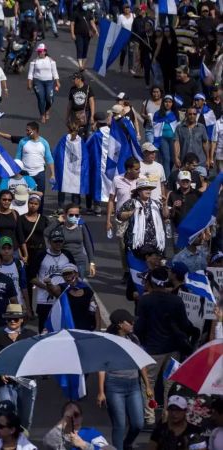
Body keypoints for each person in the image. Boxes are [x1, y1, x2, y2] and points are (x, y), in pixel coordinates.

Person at [134, 268, 200, 425]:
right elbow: (185, 324)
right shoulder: (176, 301)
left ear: (151, 282)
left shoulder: (145, 301)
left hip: (152, 350)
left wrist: (142, 342)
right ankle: (166, 417)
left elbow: (139, 327)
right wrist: (195, 332)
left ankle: (149, 418)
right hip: (173, 350)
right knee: (169, 385)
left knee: (147, 384)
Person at [97, 309, 150, 450]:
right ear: (120, 324)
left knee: (138, 424)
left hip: (133, 386)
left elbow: (142, 362)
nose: (133, 324)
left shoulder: (134, 339)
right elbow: (102, 367)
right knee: (119, 425)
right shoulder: (107, 342)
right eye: (130, 322)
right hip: (114, 387)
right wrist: (101, 391)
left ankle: (127, 443)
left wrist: (148, 386)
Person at [0, 304, 38, 429]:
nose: (13, 321)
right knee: (8, 416)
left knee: (25, 420)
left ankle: (22, 444)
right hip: (5, 383)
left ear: (21, 319)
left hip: (27, 383)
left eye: (16, 318)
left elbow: (38, 356)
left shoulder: (31, 335)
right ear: (6, 320)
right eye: (9, 319)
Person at [117, 179, 167, 254]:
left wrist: (165, 204)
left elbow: (165, 216)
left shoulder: (156, 203)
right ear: (139, 191)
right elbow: (119, 216)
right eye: (145, 189)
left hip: (155, 243)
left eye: (149, 189)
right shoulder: (132, 203)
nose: (148, 191)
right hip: (136, 244)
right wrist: (131, 213)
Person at [43, 402, 110, 450]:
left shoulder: (91, 433)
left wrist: (83, 445)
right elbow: (47, 442)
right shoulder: (57, 436)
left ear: (81, 417)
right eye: (69, 416)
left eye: (76, 415)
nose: (73, 418)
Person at [27, 43, 60, 123]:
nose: (39, 53)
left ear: (45, 52)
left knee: (49, 99)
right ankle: (42, 115)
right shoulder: (34, 62)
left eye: (41, 51)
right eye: (38, 52)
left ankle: (47, 109)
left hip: (49, 82)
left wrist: (57, 82)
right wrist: (29, 83)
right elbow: (30, 73)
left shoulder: (51, 61)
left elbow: (54, 72)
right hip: (38, 82)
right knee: (41, 99)